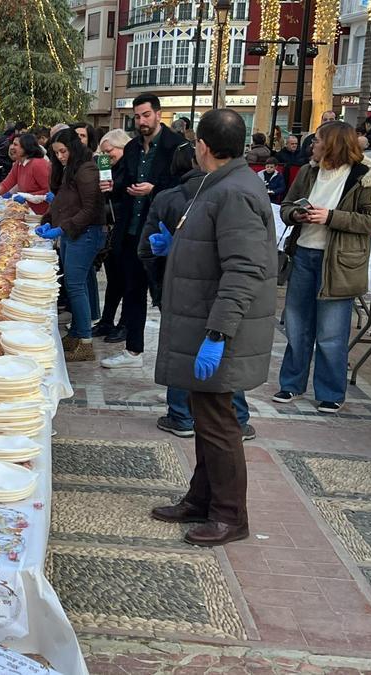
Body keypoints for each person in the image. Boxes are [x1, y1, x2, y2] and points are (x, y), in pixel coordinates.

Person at [148, 109, 277, 547]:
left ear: (202, 145)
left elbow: (243, 270)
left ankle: (230, 515)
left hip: (220, 330)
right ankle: (201, 498)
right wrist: (176, 245)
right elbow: (211, 243)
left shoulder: (235, 192)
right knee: (207, 419)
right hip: (202, 321)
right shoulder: (218, 183)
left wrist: (218, 335)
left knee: (221, 425)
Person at [139, 144, 257, 442]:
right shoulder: (232, 190)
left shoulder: (223, 195)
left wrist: (159, 282)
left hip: (196, 294)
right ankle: (238, 417)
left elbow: (243, 264)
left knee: (189, 354)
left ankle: (182, 415)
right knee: (220, 362)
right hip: (217, 297)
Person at [275, 121, 371, 414]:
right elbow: (286, 205)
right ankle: (291, 383)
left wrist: (331, 217)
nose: (311, 145)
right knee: (297, 324)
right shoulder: (308, 171)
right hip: (304, 255)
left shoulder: (364, 177)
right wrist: (296, 214)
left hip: (340, 262)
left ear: (333, 144)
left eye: (317, 140)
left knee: (331, 332)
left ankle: (330, 391)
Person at [100, 93, 183, 370]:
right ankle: (133, 350)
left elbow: (184, 188)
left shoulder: (177, 147)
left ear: (158, 114)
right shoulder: (134, 147)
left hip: (161, 233)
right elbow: (123, 179)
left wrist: (153, 190)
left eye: (146, 115)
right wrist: (113, 186)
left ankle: (177, 355)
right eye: (137, 116)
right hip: (132, 230)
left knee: (165, 296)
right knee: (133, 291)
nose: (142, 121)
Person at [37, 128, 105, 362]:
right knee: (74, 284)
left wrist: (63, 228)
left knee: (76, 286)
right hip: (72, 234)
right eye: (56, 153)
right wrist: (47, 221)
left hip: (84, 234)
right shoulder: (70, 170)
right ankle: (77, 333)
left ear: (73, 148)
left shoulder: (86, 170)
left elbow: (89, 209)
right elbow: (62, 202)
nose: (60, 157)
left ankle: (85, 341)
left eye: (63, 151)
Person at [94, 128, 131, 342]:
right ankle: (107, 320)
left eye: (110, 152)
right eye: (104, 153)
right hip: (111, 228)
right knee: (113, 279)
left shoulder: (131, 167)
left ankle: (125, 324)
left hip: (126, 229)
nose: (107, 157)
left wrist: (114, 188)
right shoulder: (109, 167)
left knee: (127, 281)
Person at [0, 132, 52, 215]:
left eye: (15, 144)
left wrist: (26, 196)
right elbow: (7, 183)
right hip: (28, 211)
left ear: (26, 147)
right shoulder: (19, 163)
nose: (11, 147)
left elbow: (49, 190)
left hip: (41, 214)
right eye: (12, 144)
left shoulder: (38, 164)